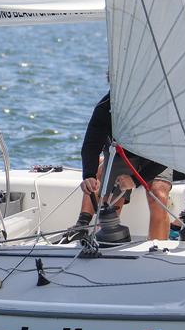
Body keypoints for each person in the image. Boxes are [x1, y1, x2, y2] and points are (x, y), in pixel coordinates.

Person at [68, 91, 173, 242]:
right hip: (121, 153)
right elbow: (91, 144)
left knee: (158, 193)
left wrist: (136, 180)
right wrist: (89, 175)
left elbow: (167, 154)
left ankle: (157, 251)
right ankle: (103, 243)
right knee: (109, 204)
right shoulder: (106, 106)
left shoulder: (160, 107)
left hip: (157, 156)